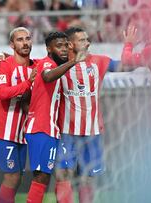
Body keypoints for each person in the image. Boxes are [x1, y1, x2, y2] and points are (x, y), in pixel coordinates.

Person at [54, 27, 122, 203]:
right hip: (66, 132)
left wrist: (134, 49)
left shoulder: (98, 61)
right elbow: (30, 66)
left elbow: (124, 65)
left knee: (88, 177)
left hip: (91, 131)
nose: (88, 43)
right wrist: (4, 57)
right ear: (70, 44)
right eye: (82, 40)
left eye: (87, 39)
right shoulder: (57, 64)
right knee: (63, 174)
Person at [24, 31, 87, 203]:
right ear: (48, 49)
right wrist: (74, 61)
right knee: (42, 177)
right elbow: (47, 76)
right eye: (58, 46)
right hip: (40, 129)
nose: (64, 49)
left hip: (54, 130)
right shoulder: (46, 64)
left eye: (66, 45)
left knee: (64, 173)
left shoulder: (59, 68)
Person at [0, 27, 37, 203]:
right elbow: (3, 93)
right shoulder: (4, 65)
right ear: (12, 44)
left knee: (17, 178)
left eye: (27, 38)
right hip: (3, 132)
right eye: (20, 39)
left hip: (20, 134)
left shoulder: (36, 66)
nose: (25, 42)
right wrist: (28, 83)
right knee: (12, 177)